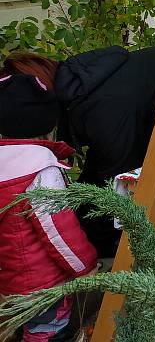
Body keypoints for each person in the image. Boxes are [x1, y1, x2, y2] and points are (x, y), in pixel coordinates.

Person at [0, 45, 155, 256]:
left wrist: (88, 249)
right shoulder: (82, 87)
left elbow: (119, 181)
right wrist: (76, 212)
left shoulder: (101, 107)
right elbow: (98, 169)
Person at [0, 131, 97, 341]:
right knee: (45, 333)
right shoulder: (39, 169)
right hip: (44, 286)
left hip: (10, 281)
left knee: (26, 326)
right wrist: (85, 267)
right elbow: (59, 233)